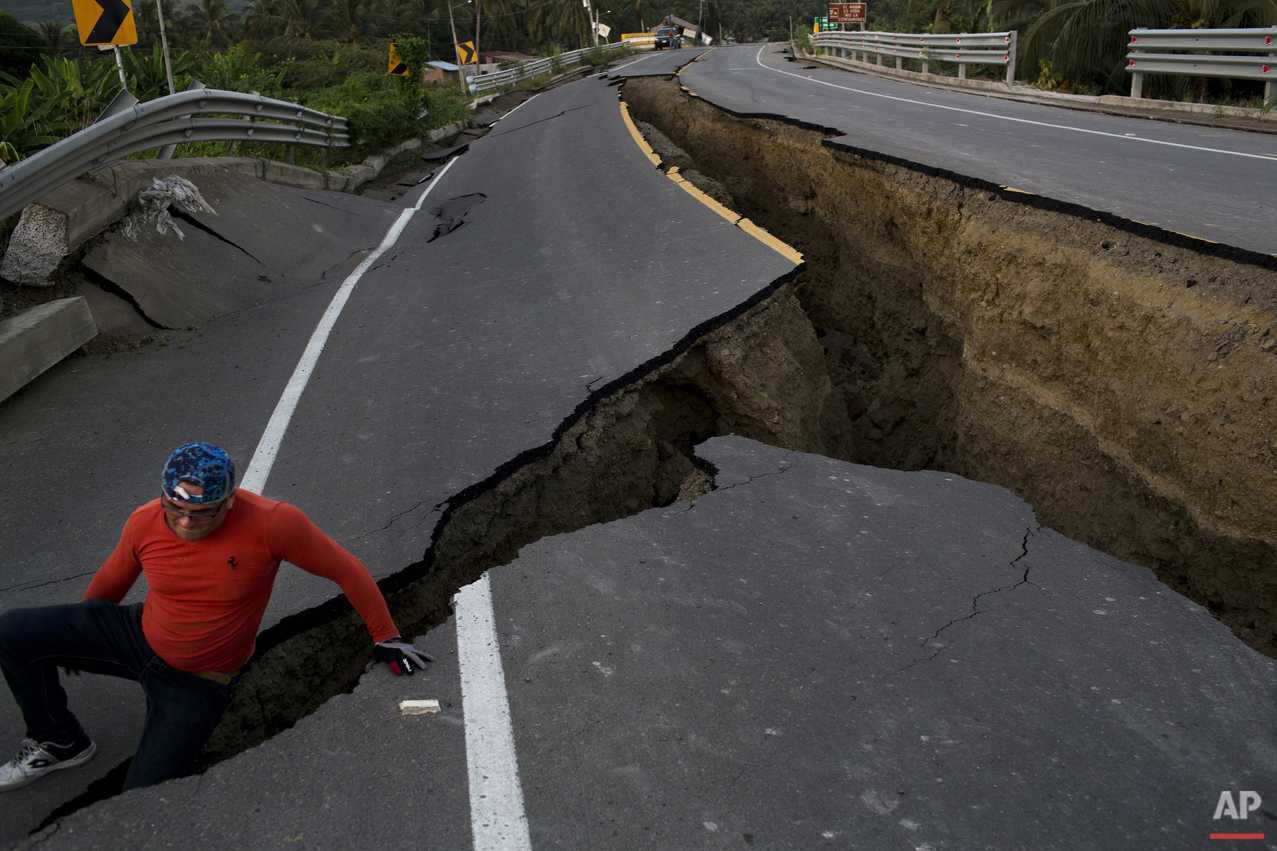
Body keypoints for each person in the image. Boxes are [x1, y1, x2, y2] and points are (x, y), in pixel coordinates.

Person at [0, 442, 431, 792]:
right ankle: (58, 739)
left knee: (140, 797)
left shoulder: (273, 523)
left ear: (228, 502)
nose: (185, 522)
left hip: (198, 680)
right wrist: (74, 639)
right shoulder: (144, 521)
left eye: (201, 513)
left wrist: (385, 635)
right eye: (175, 508)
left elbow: (345, 568)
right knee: (12, 632)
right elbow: (109, 584)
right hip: (137, 634)